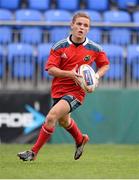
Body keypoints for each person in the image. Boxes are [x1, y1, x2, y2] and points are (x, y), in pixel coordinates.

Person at [17, 12, 110, 161]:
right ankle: (80, 139)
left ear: (89, 29)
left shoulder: (94, 48)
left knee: (51, 117)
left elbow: (105, 64)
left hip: (76, 92)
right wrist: (70, 74)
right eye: (79, 24)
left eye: (86, 26)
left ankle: (33, 153)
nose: (82, 28)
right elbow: (51, 70)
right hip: (58, 89)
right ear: (72, 25)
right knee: (64, 122)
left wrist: (97, 76)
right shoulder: (60, 46)